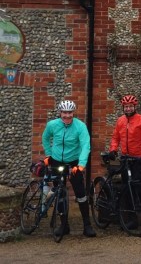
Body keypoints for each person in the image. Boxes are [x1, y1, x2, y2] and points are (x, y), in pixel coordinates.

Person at [42, 99, 96, 237]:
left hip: (74, 162)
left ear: (73, 112)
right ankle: (64, 225)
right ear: (60, 112)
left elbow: (85, 145)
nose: (67, 115)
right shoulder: (52, 125)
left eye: (70, 112)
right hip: (56, 161)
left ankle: (87, 226)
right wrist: (48, 154)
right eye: (64, 112)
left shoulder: (80, 126)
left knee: (81, 193)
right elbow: (45, 138)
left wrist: (81, 165)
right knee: (59, 193)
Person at [109, 94, 141, 183]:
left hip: (138, 158)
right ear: (123, 108)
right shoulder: (120, 120)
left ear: (134, 107)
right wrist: (113, 149)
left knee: (138, 185)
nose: (128, 109)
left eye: (130, 106)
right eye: (126, 107)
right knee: (126, 185)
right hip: (125, 158)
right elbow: (115, 138)